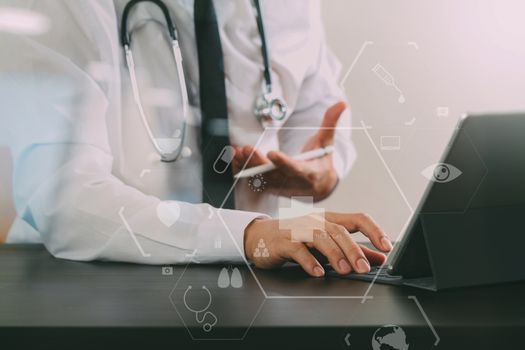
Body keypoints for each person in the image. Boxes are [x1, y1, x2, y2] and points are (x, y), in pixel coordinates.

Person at [0, 0, 391, 277]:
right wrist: (248, 233)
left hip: (253, 278)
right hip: (81, 284)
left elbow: (320, 116)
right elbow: (67, 202)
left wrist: (320, 172)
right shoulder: (53, 5)